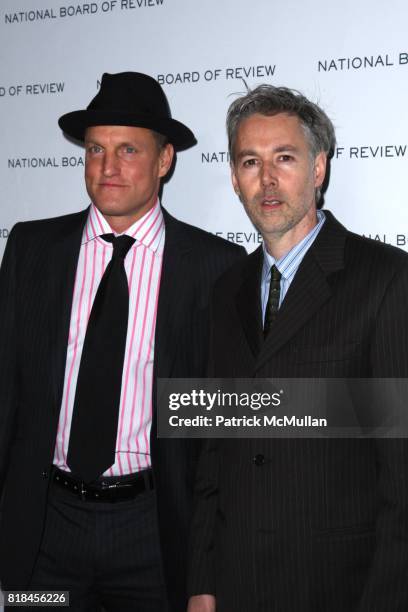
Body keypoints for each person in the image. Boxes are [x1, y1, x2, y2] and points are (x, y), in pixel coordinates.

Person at [0, 71, 245, 611]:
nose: (107, 167)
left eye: (128, 149)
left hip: (154, 534)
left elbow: (220, 440)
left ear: (165, 161)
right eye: (95, 149)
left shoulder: (217, 269)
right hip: (41, 528)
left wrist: (208, 566)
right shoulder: (31, 249)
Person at [187, 85, 408, 611]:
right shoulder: (226, 290)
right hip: (236, 582)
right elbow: (213, 450)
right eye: (249, 161)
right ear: (236, 179)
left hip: (337, 587)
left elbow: (403, 480)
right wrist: (202, 581)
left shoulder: (385, 281)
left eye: (284, 157)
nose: (267, 179)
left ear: (318, 170)